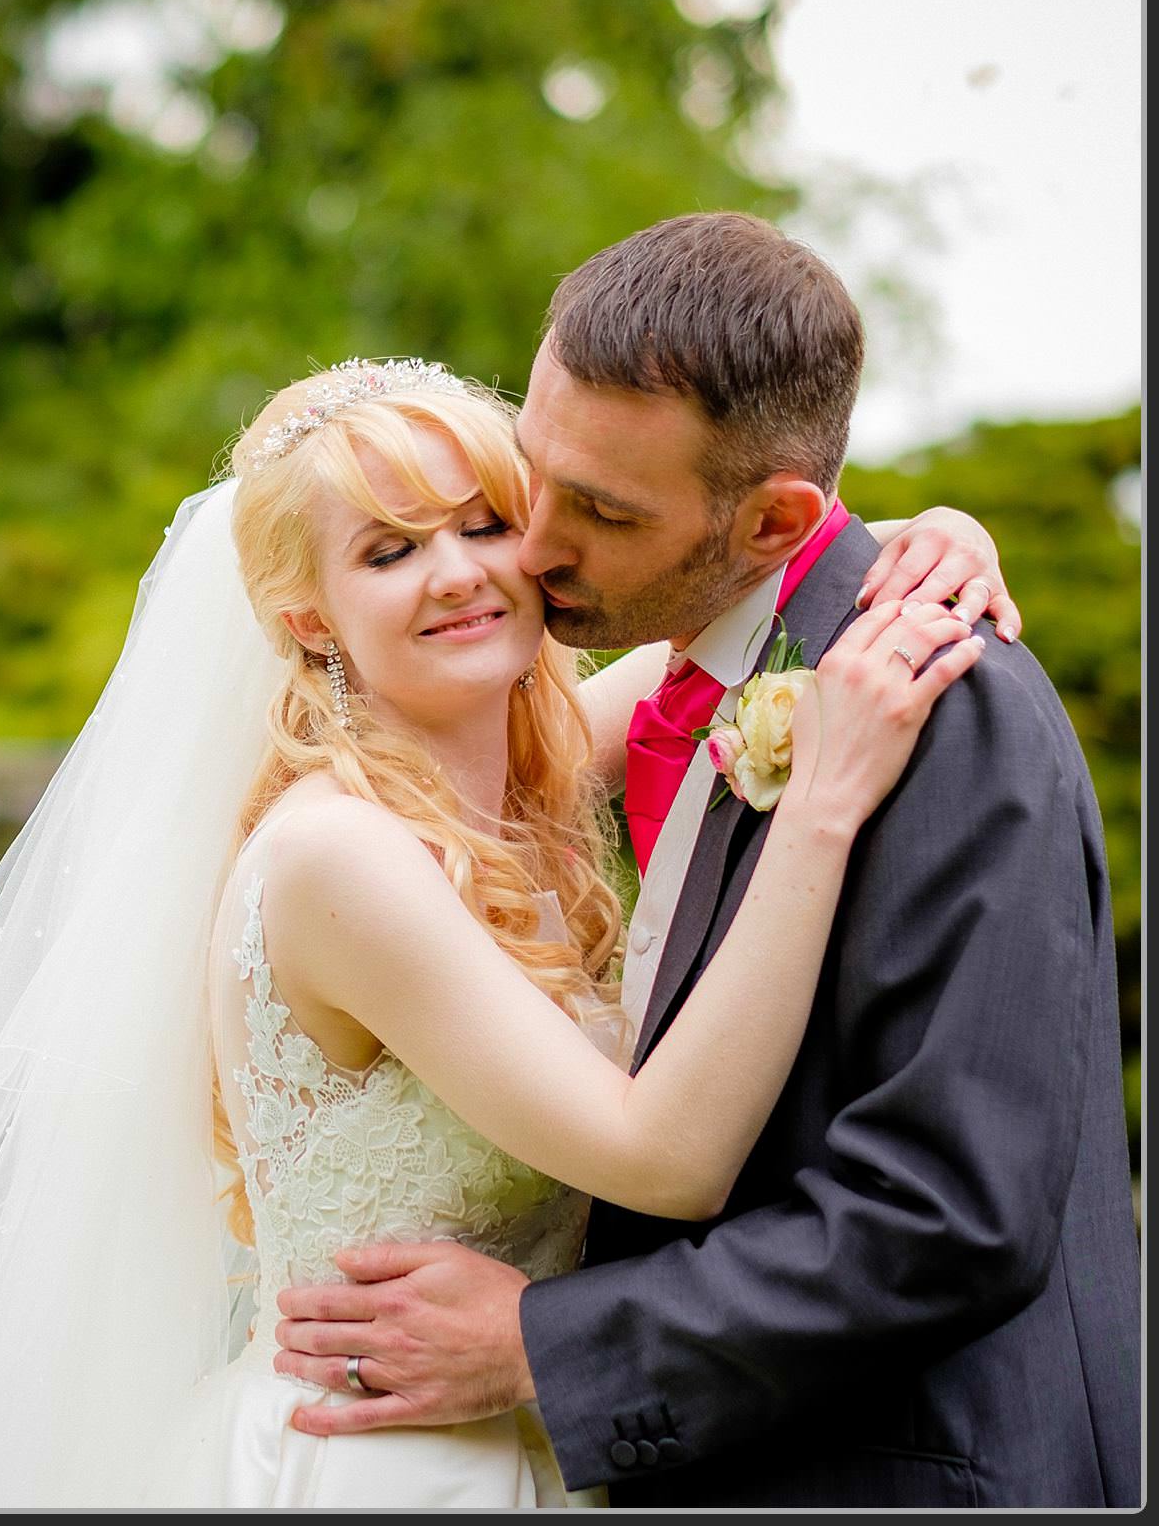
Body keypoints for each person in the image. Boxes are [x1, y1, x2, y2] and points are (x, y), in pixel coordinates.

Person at [0, 346, 994, 1507]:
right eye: (391, 550)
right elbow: (668, 1158)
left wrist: (933, 540)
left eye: (483, 524)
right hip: (379, 1467)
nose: (457, 573)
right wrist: (819, 808)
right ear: (310, 618)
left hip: (534, 1443)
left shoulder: (530, 779)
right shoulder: (339, 858)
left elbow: (750, 614)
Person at [268, 215, 1140, 1508]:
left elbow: (950, 1208)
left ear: (775, 519)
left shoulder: (937, 705)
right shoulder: (617, 705)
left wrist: (540, 1345)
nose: (532, 547)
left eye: (601, 510)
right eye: (534, 476)